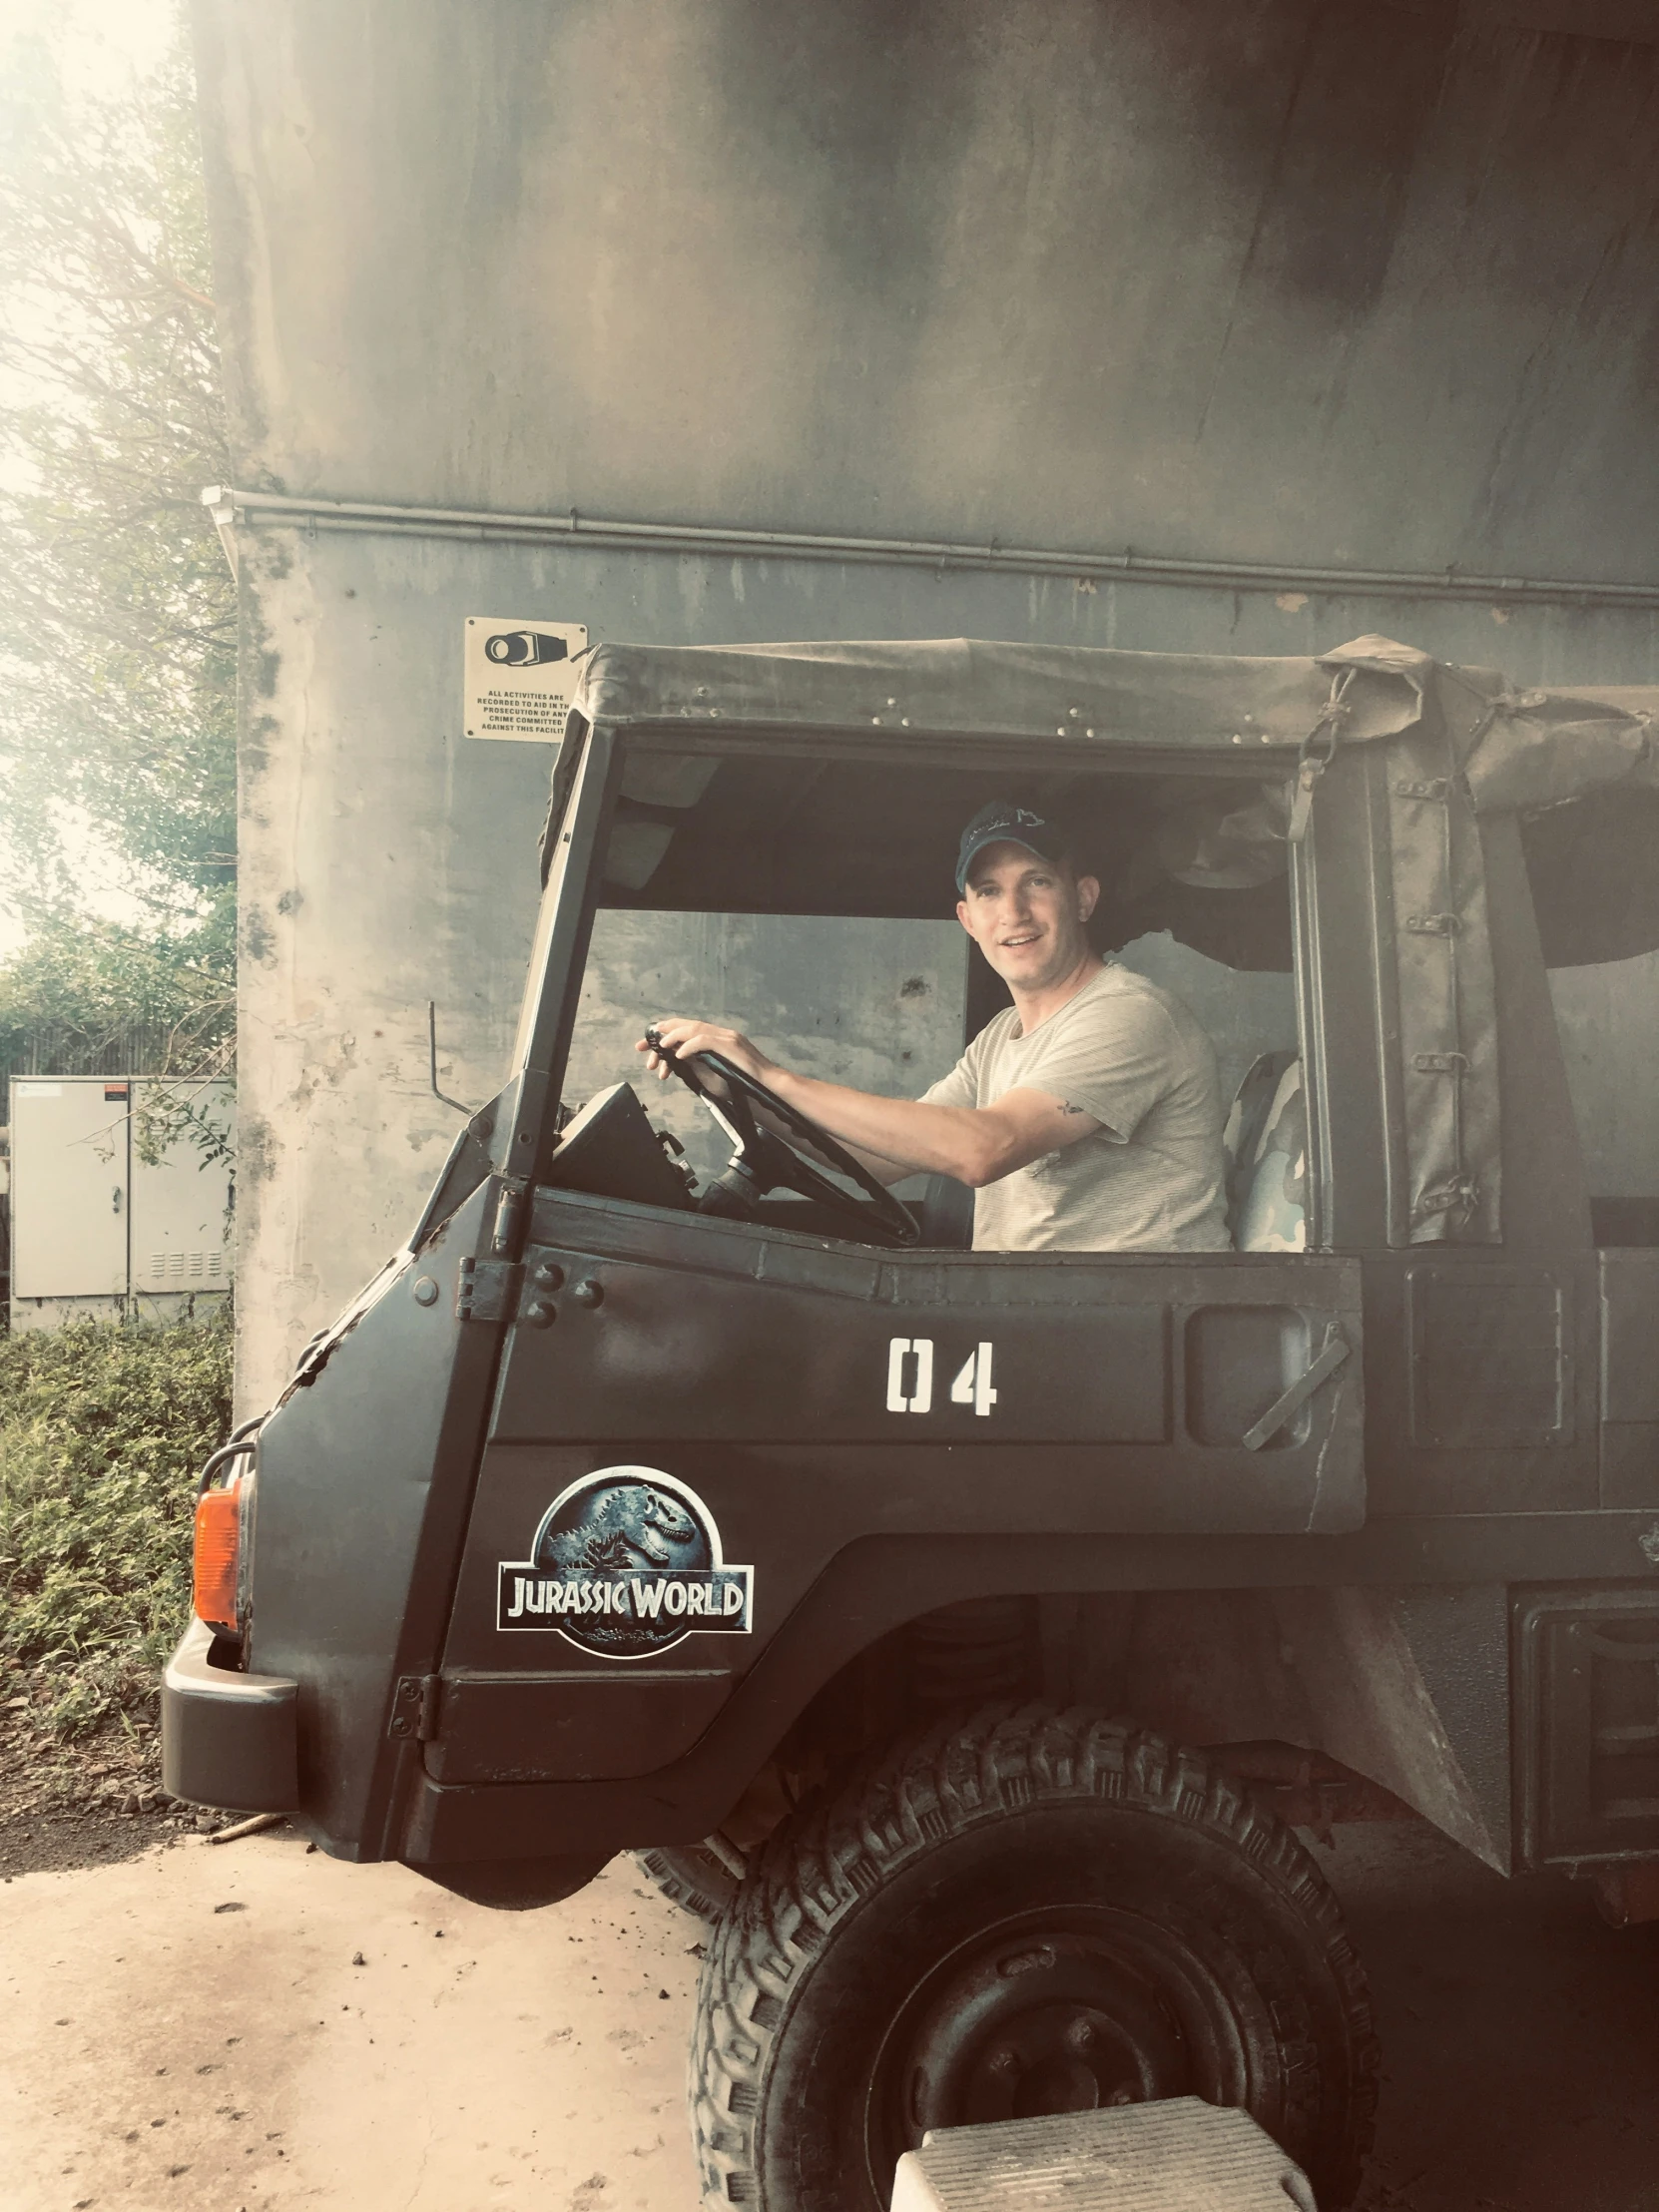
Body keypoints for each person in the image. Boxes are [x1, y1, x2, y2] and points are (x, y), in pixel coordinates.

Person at [638, 800, 1230, 1253]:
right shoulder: (1002, 1036)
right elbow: (882, 1162)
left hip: (1126, 1342)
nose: (1014, 912)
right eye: (991, 892)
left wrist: (770, 1073)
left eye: (1037, 883)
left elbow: (984, 1149)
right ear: (968, 920)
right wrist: (744, 1092)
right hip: (1034, 1326)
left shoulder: (1130, 1015)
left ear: (1083, 898)